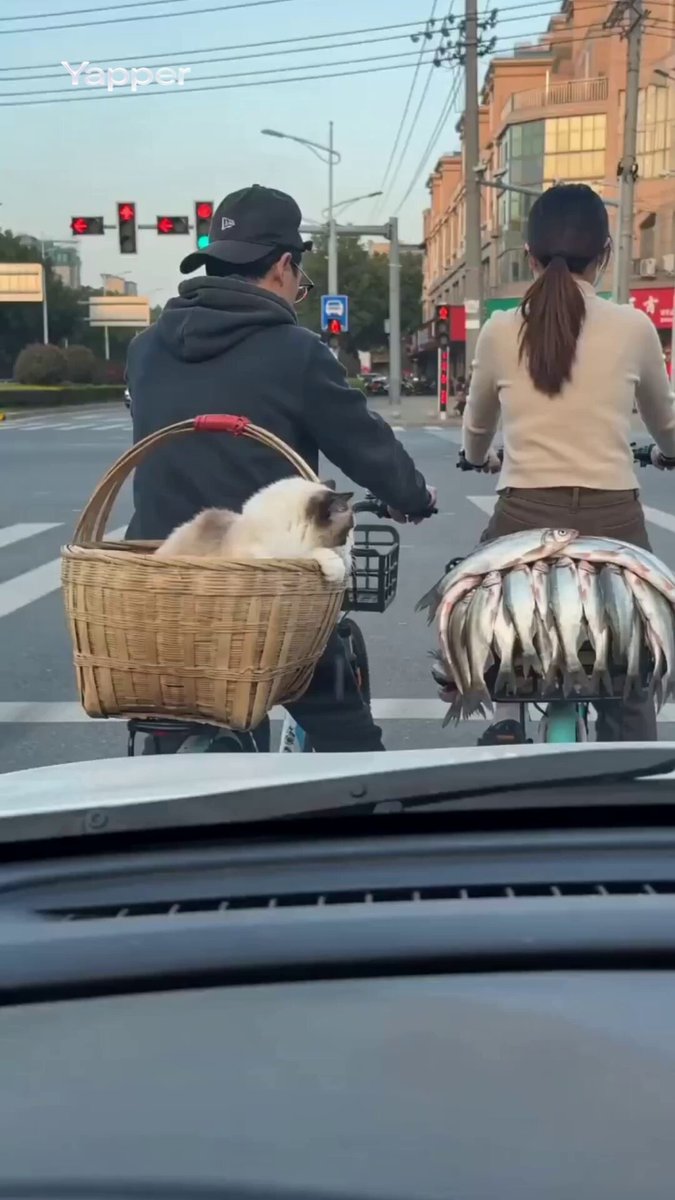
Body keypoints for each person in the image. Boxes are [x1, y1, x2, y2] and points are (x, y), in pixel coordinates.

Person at [125, 184, 436, 753]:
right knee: (349, 740)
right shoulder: (297, 352)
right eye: (300, 278)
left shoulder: (146, 348)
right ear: (284, 267)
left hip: (160, 581)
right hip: (260, 593)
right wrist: (413, 497)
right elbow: (366, 446)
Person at [461, 182, 675, 744]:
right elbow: (666, 424)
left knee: (488, 616)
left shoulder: (500, 329)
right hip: (616, 527)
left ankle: (507, 717)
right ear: (604, 256)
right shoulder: (634, 327)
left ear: (529, 256)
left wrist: (477, 458)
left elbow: (478, 428)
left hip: (523, 520)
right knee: (631, 668)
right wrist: (667, 453)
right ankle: (630, 775)